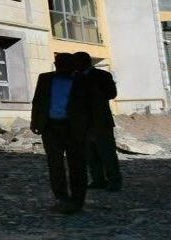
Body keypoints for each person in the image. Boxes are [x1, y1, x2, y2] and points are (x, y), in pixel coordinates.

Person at [31, 52, 91, 214]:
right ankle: (61, 199)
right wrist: (35, 122)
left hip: (74, 128)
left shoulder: (82, 81)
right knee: (55, 165)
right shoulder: (45, 79)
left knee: (77, 165)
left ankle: (77, 201)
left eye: (64, 65)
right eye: (58, 64)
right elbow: (38, 101)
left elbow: (89, 106)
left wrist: (88, 128)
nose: (60, 67)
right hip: (50, 127)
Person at [72, 52, 121, 191]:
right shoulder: (74, 77)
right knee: (90, 154)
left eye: (76, 62)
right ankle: (98, 180)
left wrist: (94, 93)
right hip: (83, 123)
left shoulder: (102, 76)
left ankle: (114, 181)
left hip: (100, 120)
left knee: (107, 153)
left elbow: (112, 93)